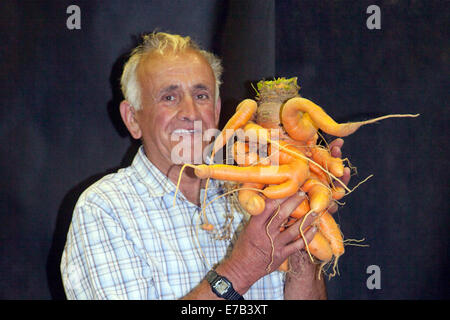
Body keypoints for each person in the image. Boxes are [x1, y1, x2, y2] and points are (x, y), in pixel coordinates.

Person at [60, 32, 350, 300]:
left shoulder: (255, 189)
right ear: (133, 118)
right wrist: (240, 271)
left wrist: (303, 230)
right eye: (169, 97)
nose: (190, 112)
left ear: (216, 109)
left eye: (201, 96)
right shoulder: (104, 209)